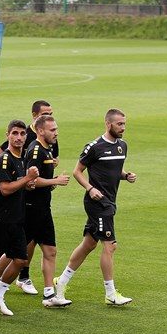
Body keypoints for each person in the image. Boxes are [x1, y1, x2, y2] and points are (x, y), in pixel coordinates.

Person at [55, 109, 137, 306]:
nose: (123, 128)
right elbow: (77, 171)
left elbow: (114, 170)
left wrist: (126, 175)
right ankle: (110, 294)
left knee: (89, 244)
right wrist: (90, 188)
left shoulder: (122, 146)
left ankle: (61, 281)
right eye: (119, 124)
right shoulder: (94, 147)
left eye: (124, 124)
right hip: (97, 203)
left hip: (110, 201)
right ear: (108, 124)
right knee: (110, 245)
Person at [0, 120, 44, 316]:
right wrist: (27, 179)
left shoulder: (22, 159)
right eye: (15, 133)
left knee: (20, 259)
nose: (19, 137)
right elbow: (4, 189)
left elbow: (18, 185)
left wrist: (27, 184)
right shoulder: (4, 159)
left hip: (16, 218)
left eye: (22, 134)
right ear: (8, 136)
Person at [0, 99, 57, 295]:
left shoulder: (49, 138)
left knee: (42, 248)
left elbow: (47, 165)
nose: (48, 116)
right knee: (18, 250)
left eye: (50, 113)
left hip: (42, 204)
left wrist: (48, 173)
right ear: (35, 116)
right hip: (28, 205)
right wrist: (16, 175)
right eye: (44, 113)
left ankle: (47, 292)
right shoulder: (28, 139)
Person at [22, 114, 71, 305]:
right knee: (16, 253)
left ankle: (49, 294)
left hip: (43, 208)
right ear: (40, 131)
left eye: (56, 129)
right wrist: (55, 181)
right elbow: (31, 180)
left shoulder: (47, 149)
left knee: (50, 251)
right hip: (31, 209)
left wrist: (52, 182)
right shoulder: (36, 150)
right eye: (52, 130)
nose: (56, 133)